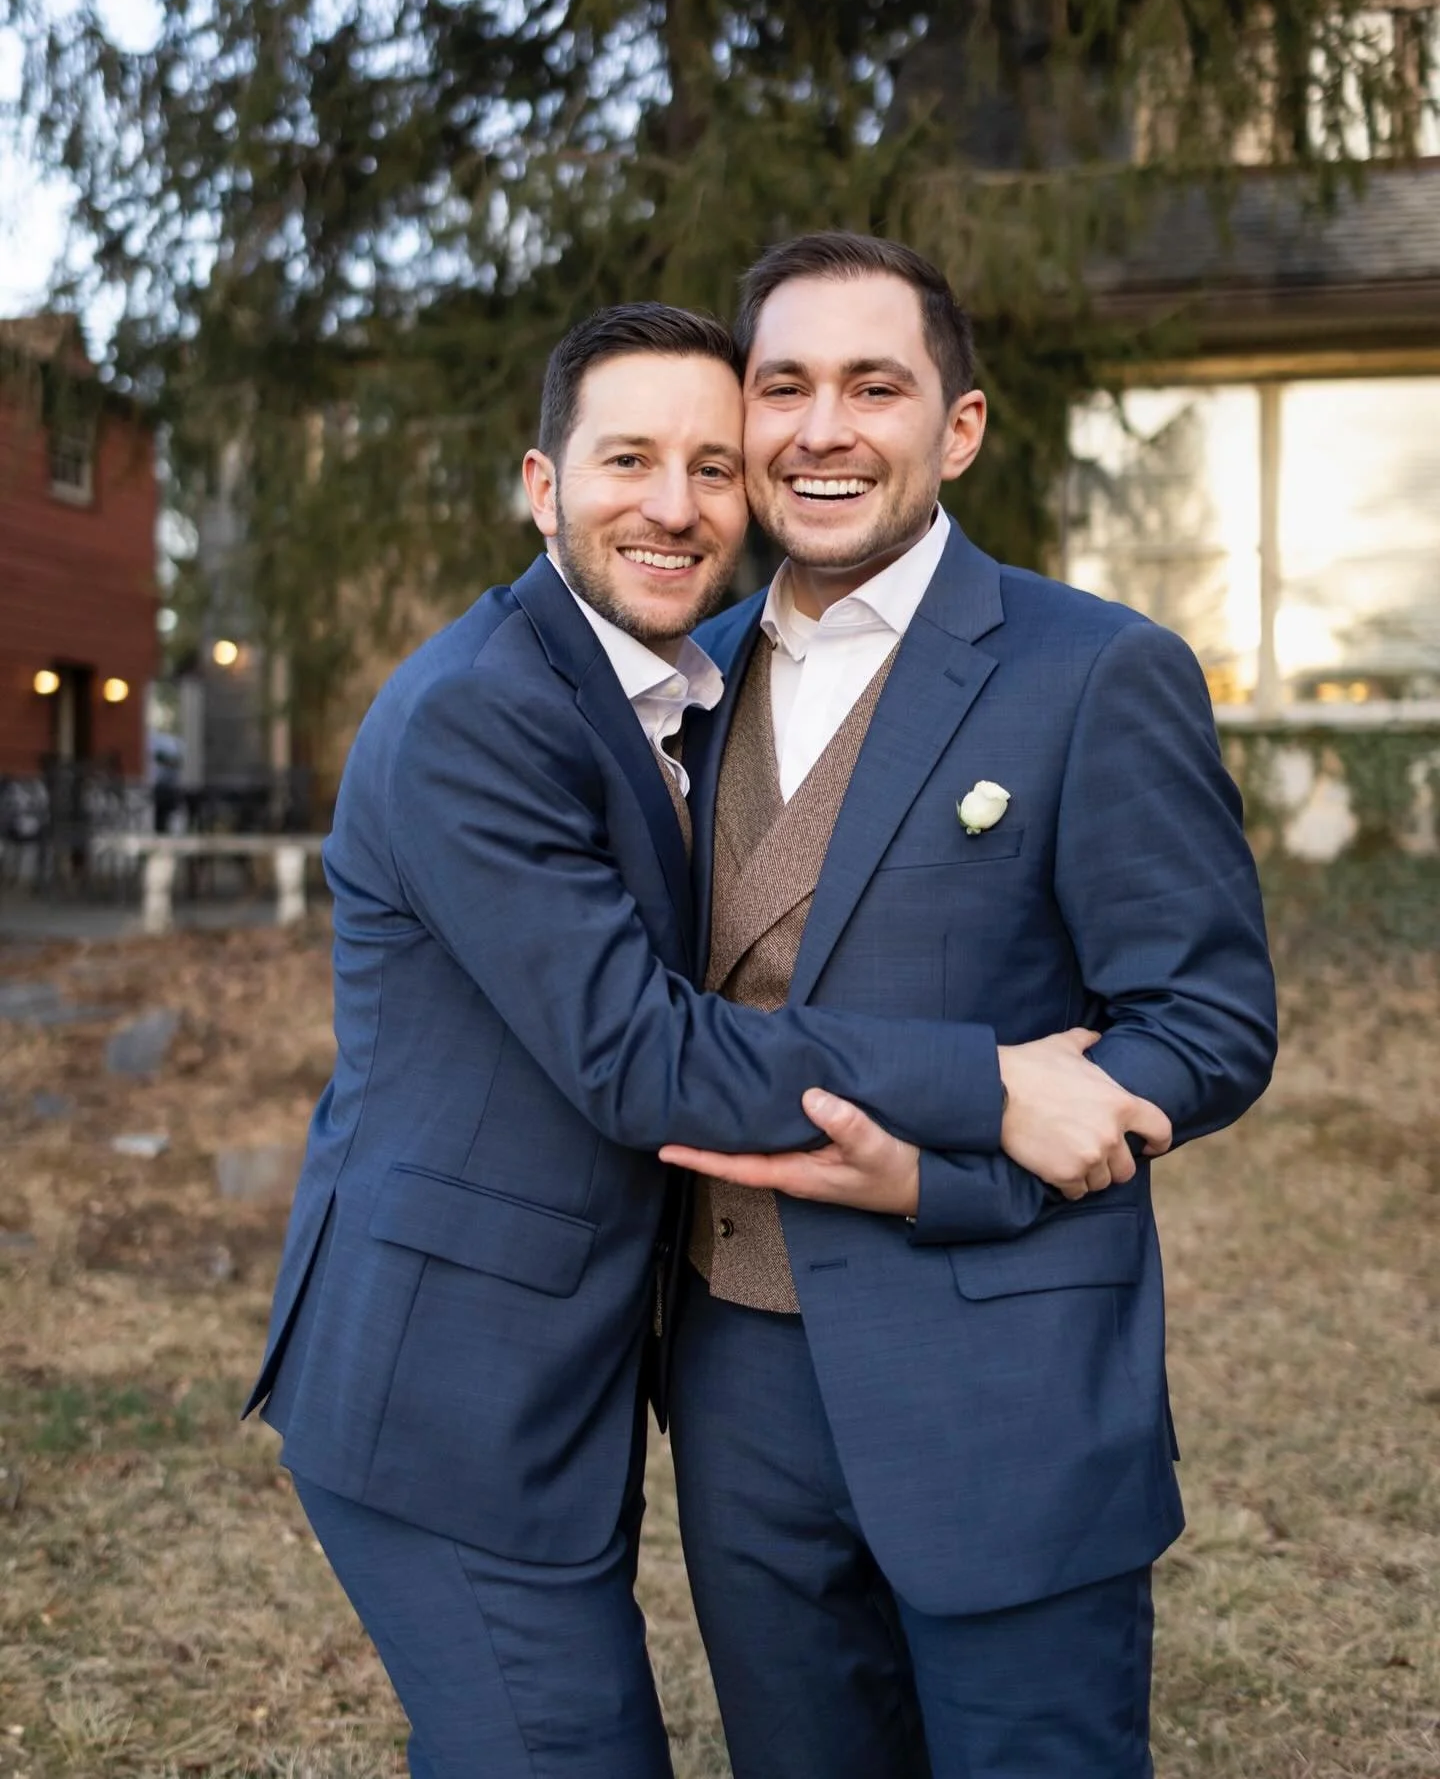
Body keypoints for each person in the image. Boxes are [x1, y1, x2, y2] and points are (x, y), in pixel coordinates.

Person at [245, 301, 1167, 1779]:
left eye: (709, 466)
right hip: (454, 1391)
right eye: (627, 461)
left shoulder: (665, 689)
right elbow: (644, 1054)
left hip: (584, 1377)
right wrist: (986, 1081)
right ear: (542, 484)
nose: (673, 506)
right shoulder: (485, 715)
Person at [659, 232, 1278, 1779]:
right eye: (783, 385)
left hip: (1004, 1382)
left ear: (960, 426)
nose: (822, 429)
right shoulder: (680, 678)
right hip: (738, 1385)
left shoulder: (1094, 670)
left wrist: (950, 1170)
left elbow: (1205, 1023)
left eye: (876, 386)